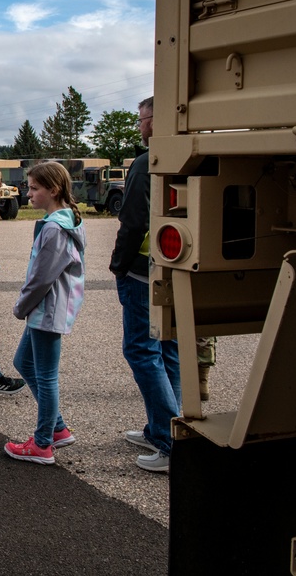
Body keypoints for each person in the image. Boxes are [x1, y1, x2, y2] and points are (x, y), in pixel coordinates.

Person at [110, 96, 180, 474]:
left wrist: (118, 266)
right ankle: (164, 429)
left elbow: (132, 220)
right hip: (176, 270)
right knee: (169, 350)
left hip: (142, 271)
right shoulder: (188, 157)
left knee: (142, 351)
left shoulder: (146, 162)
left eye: (142, 119)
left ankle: (170, 443)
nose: (140, 126)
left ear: (155, 121)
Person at [4, 162, 86, 465]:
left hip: (47, 309)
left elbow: (42, 277)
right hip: (48, 309)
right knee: (23, 361)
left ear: (53, 189)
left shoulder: (54, 228)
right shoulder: (60, 221)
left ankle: (42, 443)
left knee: (46, 376)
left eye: (34, 188)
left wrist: (21, 306)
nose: (28, 194)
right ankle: (59, 429)